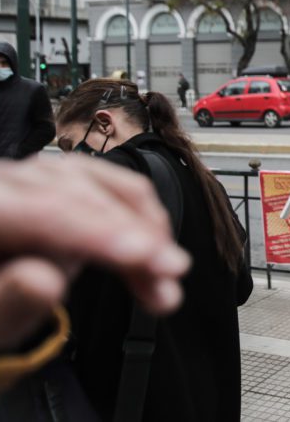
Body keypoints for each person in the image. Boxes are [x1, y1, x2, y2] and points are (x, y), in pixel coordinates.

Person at [54, 78, 252, 420]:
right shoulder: (202, 180)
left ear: (104, 123)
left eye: (71, 146)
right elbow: (240, 286)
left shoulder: (114, 176)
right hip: (208, 396)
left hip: (142, 398)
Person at [0, 156, 189, 419]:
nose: (75, 154)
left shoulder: (126, 169)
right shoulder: (184, 169)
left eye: (70, 143)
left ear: (104, 124)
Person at [0, 42, 55, 171]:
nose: (0, 67)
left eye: (4, 63)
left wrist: (20, 153)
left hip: (20, 169)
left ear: (12, 64)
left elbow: (46, 129)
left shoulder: (33, 90)